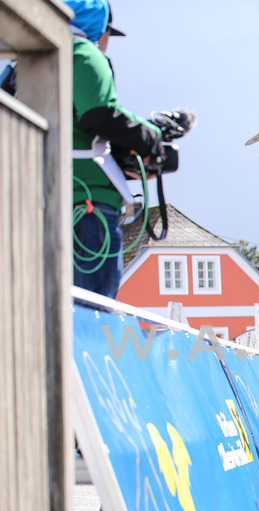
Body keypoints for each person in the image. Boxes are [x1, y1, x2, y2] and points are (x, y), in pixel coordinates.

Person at [65, 0, 192, 298]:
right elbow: (100, 114)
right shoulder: (83, 53)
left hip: (48, 202)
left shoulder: (28, 62)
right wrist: (150, 136)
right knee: (92, 311)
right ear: (99, 28)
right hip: (88, 204)